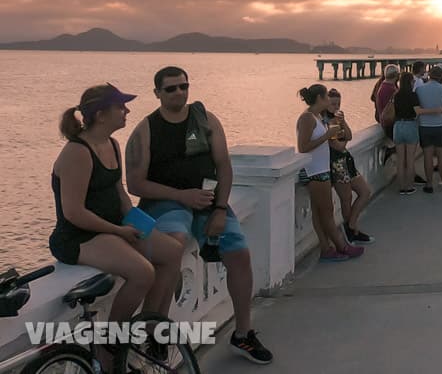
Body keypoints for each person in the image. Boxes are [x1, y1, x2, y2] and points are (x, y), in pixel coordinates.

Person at [125, 66, 274, 364]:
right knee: (174, 243)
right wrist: (181, 196)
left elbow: (224, 166)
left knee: (239, 253)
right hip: (166, 203)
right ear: (157, 94)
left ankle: (243, 334)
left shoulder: (205, 120)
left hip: (208, 201)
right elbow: (136, 183)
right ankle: (158, 332)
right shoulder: (146, 130)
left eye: (184, 86)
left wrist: (220, 208)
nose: (179, 92)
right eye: (171, 89)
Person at [51, 84, 183, 371]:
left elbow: (120, 193)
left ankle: (152, 330)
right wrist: (119, 231)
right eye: (121, 107)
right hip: (81, 235)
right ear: (100, 114)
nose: (127, 111)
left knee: (172, 252)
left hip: (114, 226)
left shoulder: (111, 144)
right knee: (142, 273)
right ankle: (111, 343)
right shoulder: (78, 152)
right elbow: (73, 213)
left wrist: (139, 223)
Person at [295, 85, 365, 260]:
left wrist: (332, 131)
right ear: (320, 98)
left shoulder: (317, 117)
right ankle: (342, 246)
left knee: (320, 213)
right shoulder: (307, 118)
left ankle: (326, 249)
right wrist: (328, 136)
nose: (329, 99)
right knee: (327, 212)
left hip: (322, 169)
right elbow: (302, 147)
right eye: (326, 96)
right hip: (315, 172)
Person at [325, 89, 374, 243]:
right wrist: (344, 138)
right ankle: (352, 232)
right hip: (337, 163)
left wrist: (343, 121)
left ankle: (350, 226)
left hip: (347, 161)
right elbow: (337, 146)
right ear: (326, 103)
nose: (336, 106)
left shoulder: (337, 119)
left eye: (338, 103)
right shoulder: (326, 123)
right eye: (333, 103)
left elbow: (350, 135)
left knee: (365, 192)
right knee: (346, 199)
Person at [415, 66, 442, 193]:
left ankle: (429, 184)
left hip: (425, 126)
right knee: (441, 156)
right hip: (440, 124)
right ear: (441, 76)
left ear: (429, 74)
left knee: (427, 156)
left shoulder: (420, 89)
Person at [392, 73, 422, 195]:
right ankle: (409, 187)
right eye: (413, 81)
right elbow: (417, 112)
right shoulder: (413, 95)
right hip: (410, 125)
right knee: (410, 159)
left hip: (398, 126)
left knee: (400, 160)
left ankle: (401, 187)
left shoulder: (396, 95)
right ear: (410, 82)